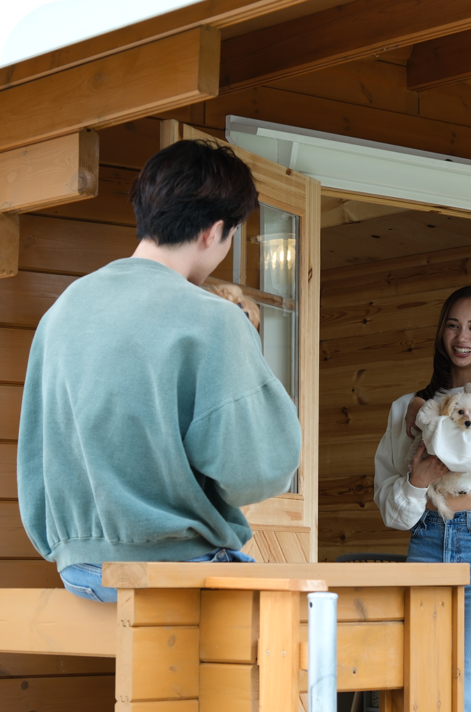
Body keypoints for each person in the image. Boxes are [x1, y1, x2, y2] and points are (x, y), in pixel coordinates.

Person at [17, 140, 302, 603]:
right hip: (171, 566)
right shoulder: (211, 319)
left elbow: (35, 456)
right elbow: (258, 472)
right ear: (214, 232)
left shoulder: (63, 310)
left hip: (79, 569)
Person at [374, 285, 471, 712]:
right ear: (442, 334)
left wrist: (425, 418)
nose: (463, 337)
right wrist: (416, 484)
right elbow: (391, 507)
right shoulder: (403, 404)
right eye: (454, 326)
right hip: (426, 536)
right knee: (423, 684)